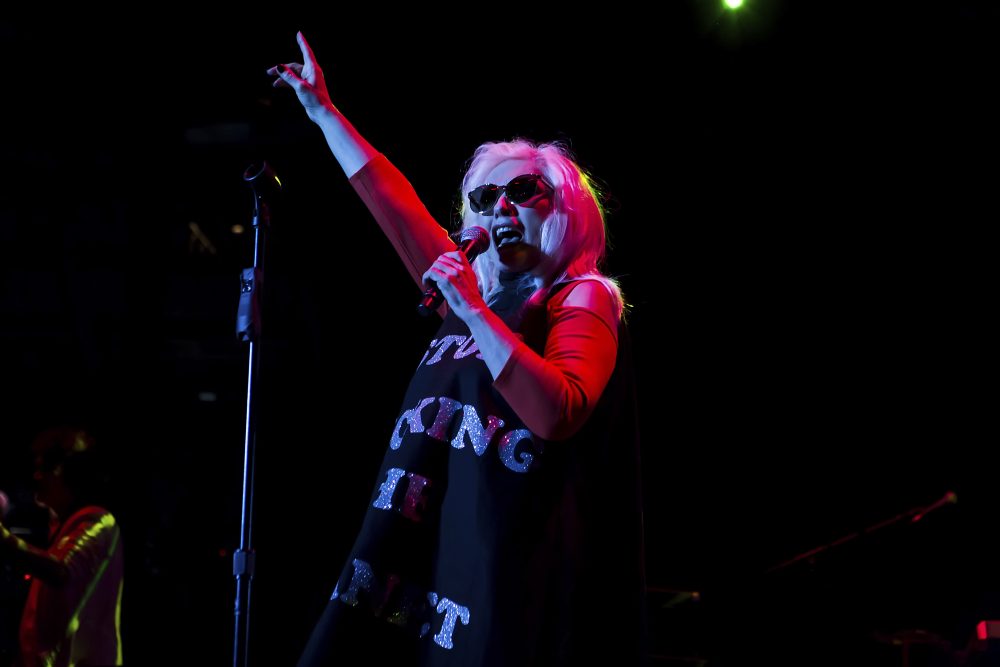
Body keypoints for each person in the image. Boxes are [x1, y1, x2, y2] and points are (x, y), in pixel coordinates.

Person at [268, 32, 646, 666]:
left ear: (564, 209)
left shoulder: (579, 297)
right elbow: (390, 202)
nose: (500, 206)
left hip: (509, 580)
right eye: (483, 199)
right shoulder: (470, 296)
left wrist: (470, 309)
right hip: (421, 567)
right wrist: (324, 113)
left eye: (522, 191)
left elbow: (561, 410)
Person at [0, 428, 123, 667]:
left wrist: (4, 540)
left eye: (43, 468)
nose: (36, 476)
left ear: (67, 472)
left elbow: (62, 572)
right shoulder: (62, 528)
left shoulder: (99, 521)